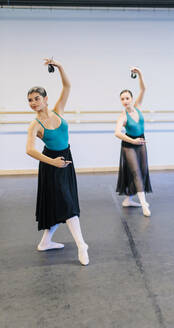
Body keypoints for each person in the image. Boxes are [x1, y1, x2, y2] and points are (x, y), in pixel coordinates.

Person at [26, 58, 89, 266]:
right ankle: (81, 245)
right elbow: (30, 150)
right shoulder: (34, 125)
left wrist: (60, 67)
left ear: (45, 99)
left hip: (67, 159)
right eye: (30, 100)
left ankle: (45, 242)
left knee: (58, 202)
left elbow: (67, 85)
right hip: (51, 165)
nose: (33, 103)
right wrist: (52, 162)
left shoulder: (58, 110)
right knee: (67, 203)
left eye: (36, 98)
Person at [115, 67, 152, 217]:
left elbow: (143, 88)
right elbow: (117, 133)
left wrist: (140, 74)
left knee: (142, 171)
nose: (125, 101)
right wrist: (133, 141)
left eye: (127, 98)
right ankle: (144, 204)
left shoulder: (137, 107)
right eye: (122, 99)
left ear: (131, 98)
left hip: (140, 141)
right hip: (130, 145)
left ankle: (128, 199)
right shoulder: (122, 116)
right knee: (136, 172)